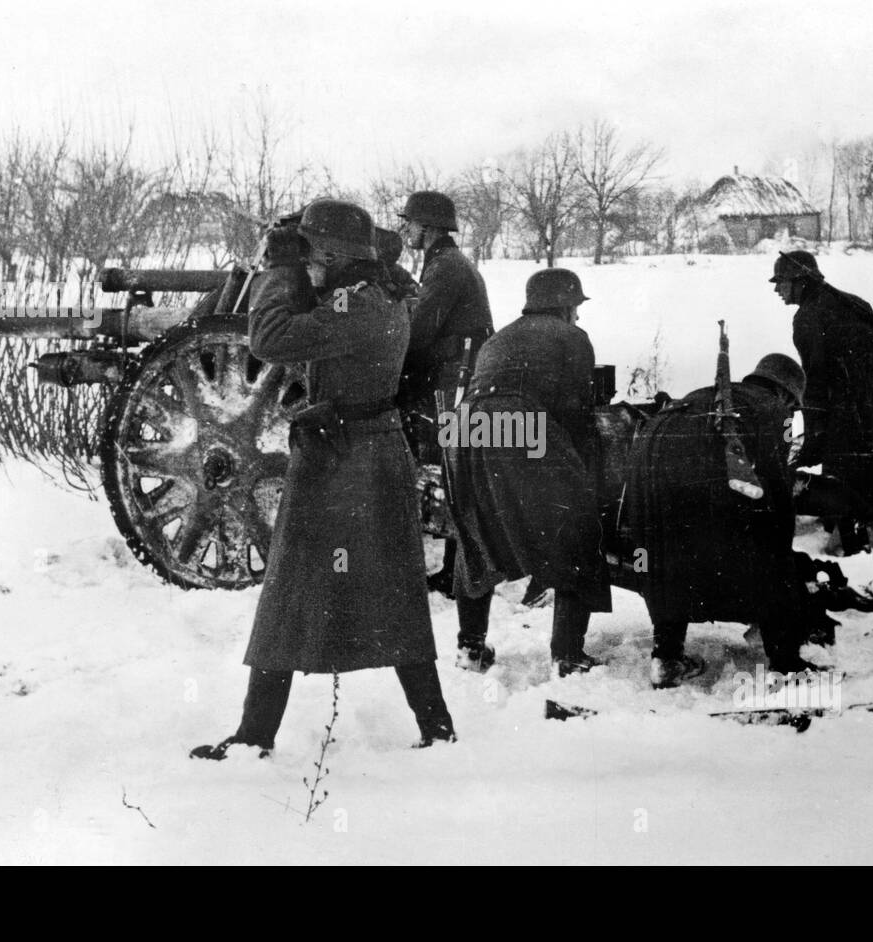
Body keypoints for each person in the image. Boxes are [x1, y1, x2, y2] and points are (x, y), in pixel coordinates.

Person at [191, 198, 455, 760]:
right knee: (384, 594)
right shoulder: (374, 294)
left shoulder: (358, 306)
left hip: (348, 462)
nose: (307, 265)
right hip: (359, 453)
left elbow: (268, 338)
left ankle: (256, 736)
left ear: (332, 256)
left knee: (299, 590)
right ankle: (434, 728)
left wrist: (280, 268)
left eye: (312, 254)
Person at [445, 268, 611, 678]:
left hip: (465, 428)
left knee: (478, 533)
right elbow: (576, 413)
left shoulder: (499, 337)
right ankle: (568, 655)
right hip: (523, 423)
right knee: (575, 528)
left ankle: (470, 647)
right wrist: (583, 469)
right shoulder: (572, 338)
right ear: (568, 306)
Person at [628, 353, 816, 684]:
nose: (792, 414)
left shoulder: (706, 394)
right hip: (701, 474)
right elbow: (777, 484)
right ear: (787, 394)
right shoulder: (776, 411)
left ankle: (666, 659)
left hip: (652, 471)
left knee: (666, 560)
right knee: (774, 559)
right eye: (793, 407)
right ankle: (786, 664)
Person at [395, 190, 498, 669]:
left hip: (456, 377)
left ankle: (459, 572)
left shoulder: (446, 266)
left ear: (427, 227)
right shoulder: (444, 262)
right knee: (452, 467)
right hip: (456, 370)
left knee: (453, 468)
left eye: (409, 224)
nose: (404, 231)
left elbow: (420, 330)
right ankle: (452, 570)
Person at [771, 250, 873, 551]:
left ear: (800, 281)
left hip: (848, 417)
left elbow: (815, 381)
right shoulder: (854, 302)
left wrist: (814, 436)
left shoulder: (806, 318)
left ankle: (855, 553)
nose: (777, 290)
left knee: (842, 487)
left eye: (781, 282)